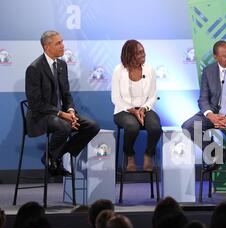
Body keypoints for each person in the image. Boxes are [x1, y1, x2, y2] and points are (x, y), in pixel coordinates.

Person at [181, 40, 226, 207]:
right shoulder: (208, 71)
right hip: (215, 112)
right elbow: (203, 99)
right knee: (189, 126)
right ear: (216, 57)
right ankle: (216, 154)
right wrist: (211, 116)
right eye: (225, 55)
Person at [25, 30, 100, 176]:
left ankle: (53, 156)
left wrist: (70, 111)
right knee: (64, 125)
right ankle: (53, 159)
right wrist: (61, 114)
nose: (62, 46)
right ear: (47, 47)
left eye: (62, 42)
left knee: (92, 126)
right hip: (41, 116)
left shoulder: (62, 65)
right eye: (58, 43)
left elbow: (66, 95)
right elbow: (36, 104)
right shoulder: (34, 68)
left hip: (62, 115)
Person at [112, 40, 162, 171]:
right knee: (132, 127)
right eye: (139, 52)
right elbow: (116, 98)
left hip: (145, 108)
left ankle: (148, 154)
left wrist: (143, 108)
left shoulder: (149, 70)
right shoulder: (119, 70)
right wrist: (132, 110)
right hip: (123, 109)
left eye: (143, 51)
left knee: (156, 128)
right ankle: (129, 155)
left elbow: (152, 96)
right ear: (129, 55)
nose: (143, 54)